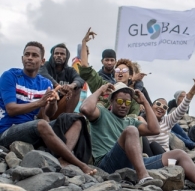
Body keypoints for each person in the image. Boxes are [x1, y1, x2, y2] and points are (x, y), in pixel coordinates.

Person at [80, 81, 195, 191]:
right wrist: (101, 89)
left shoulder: (131, 120)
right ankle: (143, 178)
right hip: (107, 164)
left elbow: (154, 129)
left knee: (179, 154)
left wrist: (145, 102)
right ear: (112, 101)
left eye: (127, 102)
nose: (123, 105)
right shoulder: (102, 113)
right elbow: (85, 108)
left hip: (133, 165)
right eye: (120, 101)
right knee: (131, 131)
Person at [0, 41, 96, 175]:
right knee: (42, 125)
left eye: (34, 55)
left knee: (77, 119)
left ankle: (63, 159)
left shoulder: (44, 83)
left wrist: (51, 103)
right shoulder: (10, 76)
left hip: (32, 129)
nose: (29, 58)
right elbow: (11, 109)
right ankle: (79, 164)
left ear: (42, 61)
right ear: (22, 58)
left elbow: (47, 114)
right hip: (8, 130)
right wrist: (40, 103)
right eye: (27, 54)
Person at [78, 28, 140, 115]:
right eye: (118, 70)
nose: (120, 72)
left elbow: (134, 119)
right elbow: (85, 68)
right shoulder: (103, 86)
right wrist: (84, 42)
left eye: (124, 70)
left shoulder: (134, 97)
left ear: (130, 75)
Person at [147, 79, 195, 152]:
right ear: (151, 106)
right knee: (150, 144)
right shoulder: (142, 120)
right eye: (158, 104)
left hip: (163, 157)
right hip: (148, 157)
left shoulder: (167, 121)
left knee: (178, 152)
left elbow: (184, 104)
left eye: (165, 107)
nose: (161, 107)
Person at [38, 43, 85, 119]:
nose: (59, 55)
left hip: (60, 106)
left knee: (77, 89)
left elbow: (80, 79)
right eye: (56, 53)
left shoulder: (70, 70)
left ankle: (66, 119)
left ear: (66, 57)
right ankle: (46, 123)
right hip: (44, 106)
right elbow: (41, 73)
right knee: (45, 88)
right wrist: (58, 86)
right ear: (52, 55)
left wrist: (71, 86)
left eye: (62, 54)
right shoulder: (45, 66)